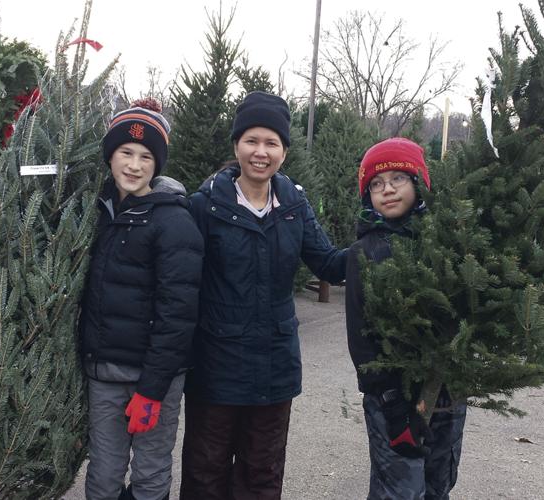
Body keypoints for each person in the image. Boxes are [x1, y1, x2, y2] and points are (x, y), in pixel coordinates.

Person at [180, 91, 347, 499]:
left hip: (275, 369)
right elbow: (181, 283)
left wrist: (381, 239)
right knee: (206, 474)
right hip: (215, 369)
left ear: (284, 152)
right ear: (236, 145)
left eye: (271, 143)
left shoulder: (294, 206)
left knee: (263, 475)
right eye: (252, 140)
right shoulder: (205, 207)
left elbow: (328, 263)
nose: (261, 152)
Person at [79, 98, 203, 500]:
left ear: (157, 164)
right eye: (125, 153)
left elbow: (178, 313)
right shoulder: (94, 214)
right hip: (104, 373)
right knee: (104, 471)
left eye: (146, 156)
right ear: (110, 156)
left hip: (156, 380)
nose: (134, 165)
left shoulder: (173, 221)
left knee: (150, 471)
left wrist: (152, 388)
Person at [345, 137, 467, 500]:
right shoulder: (363, 253)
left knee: (438, 484)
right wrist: (392, 403)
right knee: (399, 489)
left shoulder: (446, 244)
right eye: (377, 185)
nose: (388, 190)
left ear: (418, 182)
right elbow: (361, 338)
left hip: (447, 393)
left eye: (398, 178)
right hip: (391, 402)